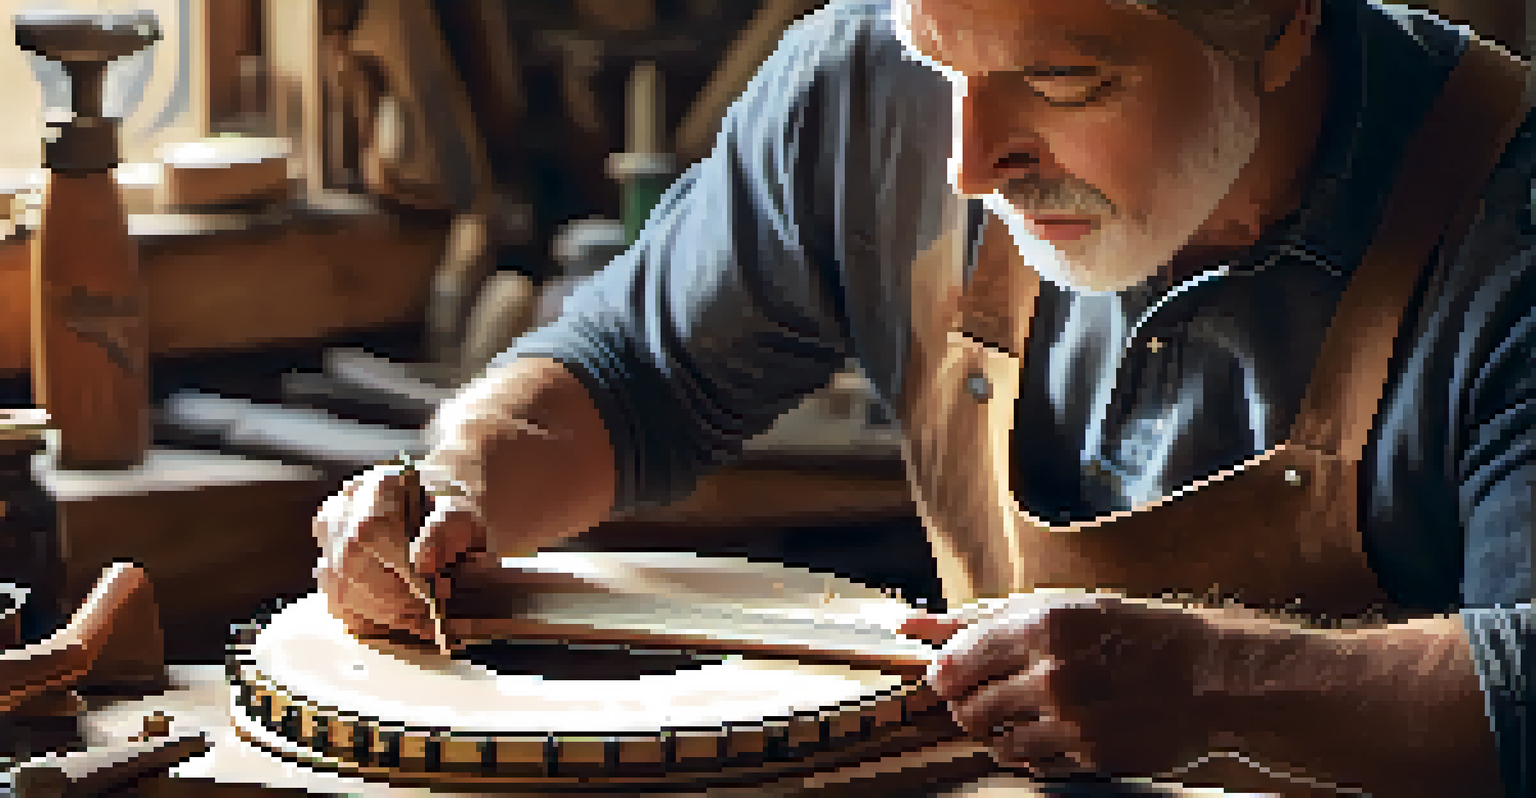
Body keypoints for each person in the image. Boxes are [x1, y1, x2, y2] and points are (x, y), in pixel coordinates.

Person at [312, 0, 1533, 794]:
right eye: (934, 60)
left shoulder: (1507, 218)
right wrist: (455, 487)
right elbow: (626, 372)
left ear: (1279, 24)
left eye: (1063, 81)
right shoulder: (866, 87)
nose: (965, 160)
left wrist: (1216, 685)